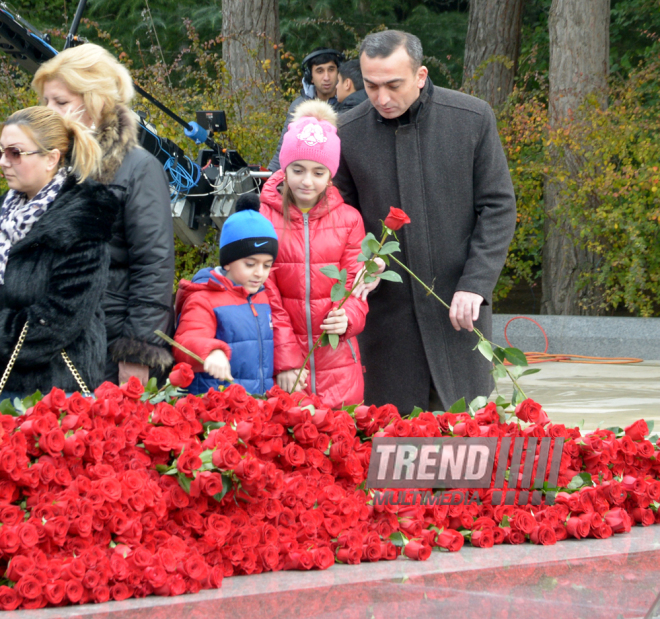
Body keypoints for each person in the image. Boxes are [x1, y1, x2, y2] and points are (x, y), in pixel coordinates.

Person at [334, 30, 517, 414]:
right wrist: (363, 260)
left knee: (465, 448)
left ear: (420, 75)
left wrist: (476, 284)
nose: (382, 98)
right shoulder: (347, 132)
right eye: (371, 86)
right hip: (387, 324)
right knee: (392, 452)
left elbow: (498, 206)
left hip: (459, 313)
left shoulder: (472, 119)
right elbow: (341, 218)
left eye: (393, 85)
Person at [32, 43, 175, 387]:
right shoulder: (44, 165)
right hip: (46, 337)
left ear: (96, 103)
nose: (50, 112)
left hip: (107, 343)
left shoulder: (139, 168)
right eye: (46, 101)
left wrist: (136, 351)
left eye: (62, 102)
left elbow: (154, 265)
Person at [0, 106, 120, 400]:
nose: (4, 162)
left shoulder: (84, 220)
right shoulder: (5, 213)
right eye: (2, 151)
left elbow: (60, 319)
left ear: (51, 158)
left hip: (56, 393)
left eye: (15, 153)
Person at [260, 99, 368, 409]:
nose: (307, 181)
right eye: (298, 169)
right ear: (284, 168)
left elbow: (355, 286)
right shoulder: (264, 218)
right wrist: (287, 358)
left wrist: (348, 316)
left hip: (339, 363)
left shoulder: (349, 220)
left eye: (318, 172)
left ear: (330, 175)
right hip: (287, 364)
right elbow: (266, 294)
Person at [172, 196, 284, 395]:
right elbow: (185, 341)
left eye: (267, 265)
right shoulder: (204, 298)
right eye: (250, 264)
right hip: (215, 409)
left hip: (257, 406)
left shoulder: (262, 297)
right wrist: (210, 352)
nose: (260, 272)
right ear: (228, 262)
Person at [267, 48, 343, 172]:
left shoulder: (349, 103)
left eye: (331, 70)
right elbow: (284, 149)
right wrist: (269, 180)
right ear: (310, 77)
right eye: (319, 71)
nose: (326, 77)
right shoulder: (299, 105)